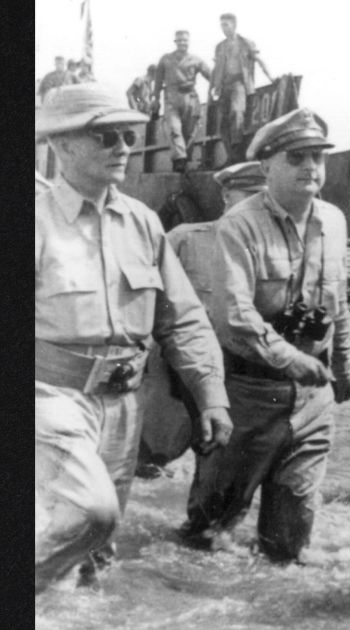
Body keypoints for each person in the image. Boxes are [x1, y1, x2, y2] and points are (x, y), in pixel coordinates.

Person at [35, 84, 232, 592]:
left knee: (98, 548)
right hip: (50, 397)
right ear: (61, 146)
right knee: (89, 512)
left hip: (124, 403)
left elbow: (182, 319)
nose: (124, 146)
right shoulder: (34, 221)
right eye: (106, 136)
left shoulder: (143, 223)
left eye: (129, 135)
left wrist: (210, 394)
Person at [180, 109, 350, 562]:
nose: (310, 167)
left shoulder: (334, 221)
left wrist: (344, 366)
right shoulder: (240, 225)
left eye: (318, 157)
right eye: (296, 157)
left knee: (290, 545)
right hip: (248, 394)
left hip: (313, 400)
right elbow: (235, 316)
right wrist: (290, 358)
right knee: (209, 535)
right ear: (266, 167)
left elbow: (337, 302)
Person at [136, 162, 267, 479]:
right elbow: (143, 304)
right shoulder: (184, 239)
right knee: (151, 460)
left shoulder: (272, 253)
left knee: (221, 471)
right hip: (177, 375)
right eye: (248, 195)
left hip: (238, 380)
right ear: (226, 195)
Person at [213, 13, 270, 163]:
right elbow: (215, 69)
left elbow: (259, 60)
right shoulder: (220, 47)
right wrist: (212, 89)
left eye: (226, 24)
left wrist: (271, 77)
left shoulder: (246, 43)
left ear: (234, 25)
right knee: (223, 123)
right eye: (222, 25)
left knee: (237, 112)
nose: (223, 28)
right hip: (223, 86)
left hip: (239, 83)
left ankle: (237, 151)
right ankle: (230, 155)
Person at [154, 30, 213, 172]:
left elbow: (211, 76)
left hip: (190, 97)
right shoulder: (165, 59)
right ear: (175, 42)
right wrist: (156, 99)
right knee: (174, 129)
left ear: (189, 42)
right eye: (179, 40)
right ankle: (179, 159)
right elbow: (158, 81)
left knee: (190, 131)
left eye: (185, 40)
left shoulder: (196, 60)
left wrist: (217, 90)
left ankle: (183, 161)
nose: (182, 43)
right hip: (172, 97)